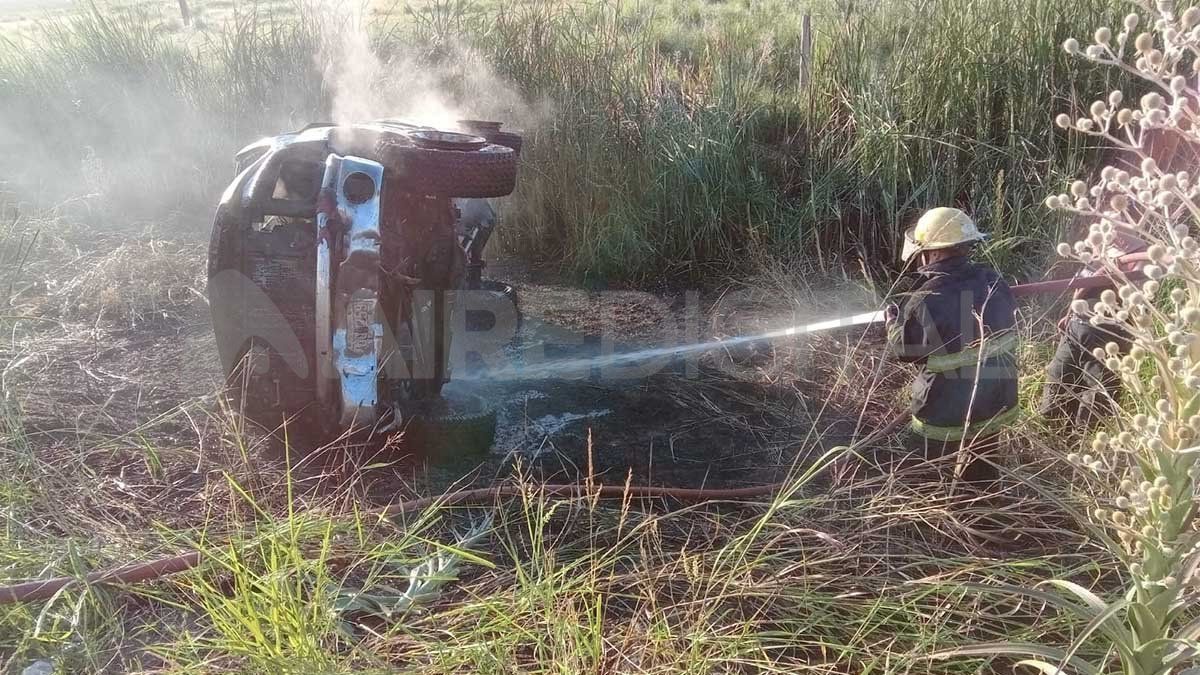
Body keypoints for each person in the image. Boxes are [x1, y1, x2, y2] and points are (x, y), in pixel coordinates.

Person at [884, 207, 1020, 485]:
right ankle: (983, 513)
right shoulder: (993, 280)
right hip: (994, 400)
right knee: (982, 471)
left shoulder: (925, 298)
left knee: (925, 475)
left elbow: (906, 352)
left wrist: (893, 324)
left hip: (944, 410)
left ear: (931, 252)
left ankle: (930, 517)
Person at [1040, 231, 1146, 430]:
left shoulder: (1142, 260)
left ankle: (1087, 442)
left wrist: (1120, 262)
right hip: (1075, 328)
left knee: (1098, 392)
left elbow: (1140, 305)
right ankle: (1052, 432)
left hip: (1108, 337)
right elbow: (1083, 286)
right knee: (1058, 378)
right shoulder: (1100, 253)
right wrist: (1069, 314)